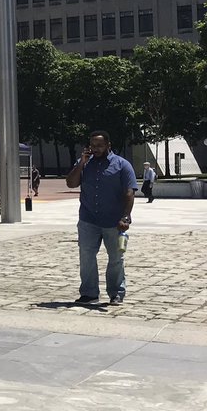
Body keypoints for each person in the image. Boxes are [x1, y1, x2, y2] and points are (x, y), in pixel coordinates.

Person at [66, 130, 137, 305]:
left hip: (113, 221)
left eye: (99, 145)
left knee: (115, 258)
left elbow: (129, 192)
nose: (95, 149)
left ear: (108, 145)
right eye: (92, 146)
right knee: (87, 257)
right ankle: (89, 293)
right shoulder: (84, 163)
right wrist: (81, 163)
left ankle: (116, 292)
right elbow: (71, 183)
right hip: (88, 220)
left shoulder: (122, 165)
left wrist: (126, 216)